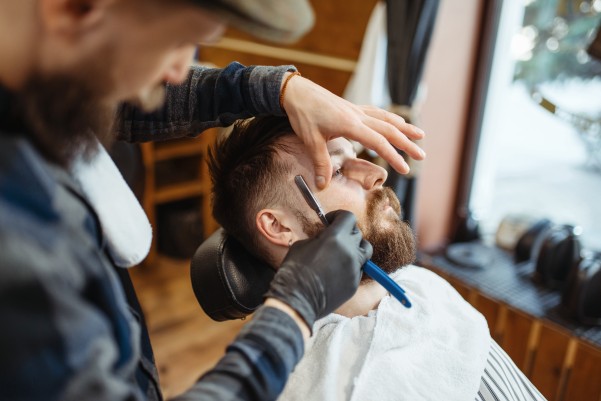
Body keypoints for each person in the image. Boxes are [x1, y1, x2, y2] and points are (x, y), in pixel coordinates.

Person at [0, 0, 428, 400]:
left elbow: (118, 100)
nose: (179, 71)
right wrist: (296, 306)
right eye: (178, 41)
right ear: (73, 8)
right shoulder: (16, 235)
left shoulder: (42, 98)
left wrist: (283, 89)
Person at [207, 116, 548, 401]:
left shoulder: (421, 284)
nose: (377, 173)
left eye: (357, 154)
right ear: (279, 226)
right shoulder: (300, 380)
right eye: (337, 170)